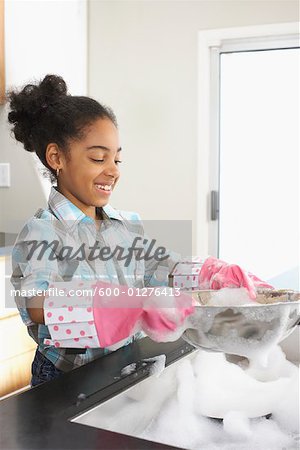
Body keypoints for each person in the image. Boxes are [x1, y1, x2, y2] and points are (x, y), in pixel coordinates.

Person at [8, 75, 272, 387]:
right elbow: (36, 302)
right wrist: (123, 304)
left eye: (116, 158)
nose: (113, 170)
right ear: (56, 158)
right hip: (65, 379)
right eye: (98, 157)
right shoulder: (42, 232)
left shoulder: (123, 227)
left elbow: (160, 267)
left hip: (121, 363)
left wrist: (211, 274)